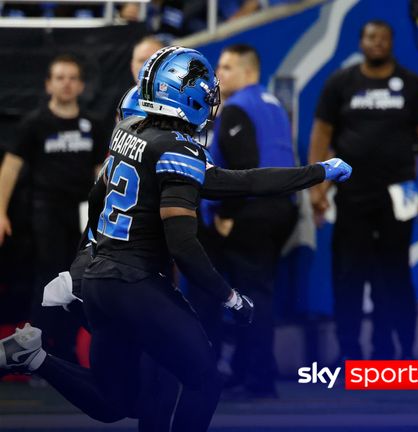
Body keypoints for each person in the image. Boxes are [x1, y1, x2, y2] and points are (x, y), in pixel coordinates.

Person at [5, 83, 350, 431]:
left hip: (98, 284)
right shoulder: (171, 151)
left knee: (120, 401)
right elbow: (193, 236)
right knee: (191, 382)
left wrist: (76, 271)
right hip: (135, 285)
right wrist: (229, 298)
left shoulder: (123, 145)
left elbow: (97, 216)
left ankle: (34, 358)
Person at [308, 19, 418, 361]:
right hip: (351, 195)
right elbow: (321, 134)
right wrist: (315, 186)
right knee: (348, 275)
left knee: (394, 276)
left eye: (383, 37)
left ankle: (395, 351)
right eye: (371, 37)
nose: (377, 42)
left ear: (392, 42)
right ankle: (348, 351)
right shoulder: (341, 82)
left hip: (401, 195)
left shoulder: (413, 85)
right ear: (361, 42)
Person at [197, 43, 298, 397]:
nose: (218, 75)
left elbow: (243, 168)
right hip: (282, 208)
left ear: (248, 71)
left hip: (252, 212)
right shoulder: (274, 106)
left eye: (226, 67)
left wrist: (225, 214)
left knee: (250, 297)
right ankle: (245, 371)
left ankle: (258, 378)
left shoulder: (238, 108)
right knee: (251, 292)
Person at [0, 54, 108, 363]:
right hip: (46, 211)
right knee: (48, 280)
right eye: (60, 77)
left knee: (83, 279)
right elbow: (10, 167)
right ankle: (39, 353)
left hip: (84, 212)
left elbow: (102, 172)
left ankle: (72, 351)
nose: (66, 83)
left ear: (81, 85)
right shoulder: (34, 123)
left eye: (72, 77)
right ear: (49, 84)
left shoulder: (93, 124)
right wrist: (0, 211)